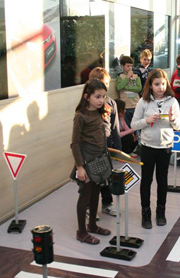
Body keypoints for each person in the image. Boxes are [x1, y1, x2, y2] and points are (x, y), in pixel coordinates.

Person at [131, 69, 180, 228]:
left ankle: (161, 212)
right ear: (150, 85)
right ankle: (145, 213)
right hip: (147, 146)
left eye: (163, 83)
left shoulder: (172, 101)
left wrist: (173, 120)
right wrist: (147, 120)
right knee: (146, 180)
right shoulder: (143, 102)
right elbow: (134, 124)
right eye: (156, 84)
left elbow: (179, 126)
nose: (160, 87)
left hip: (165, 146)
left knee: (162, 180)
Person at [70, 79, 112, 244]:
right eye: (97, 96)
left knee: (96, 193)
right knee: (85, 196)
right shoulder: (80, 116)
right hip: (87, 163)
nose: (101, 100)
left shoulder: (98, 112)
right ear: (87, 97)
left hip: (99, 161)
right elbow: (75, 143)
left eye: (103, 96)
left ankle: (92, 225)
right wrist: (80, 167)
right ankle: (81, 232)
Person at [90, 67, 122, 217]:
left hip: (107, 145)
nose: (106, 86)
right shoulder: (88, 104)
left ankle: (107, 204)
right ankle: (91, 208)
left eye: (107, 83)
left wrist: (118, 146)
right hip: (91, 149)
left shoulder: (111, 103)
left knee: (106, 177)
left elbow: (115, 126)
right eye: (102, 83)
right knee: (93, 180)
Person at [116, 56, 142, 128]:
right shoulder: (120, 76)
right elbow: (119, 87)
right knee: (128, 125)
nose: (130, 68)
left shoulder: (136, 75)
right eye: (128, 66)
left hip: (135, 104)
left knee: (136, 124)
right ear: (122, 66)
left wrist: (127, 88)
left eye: (131, 66)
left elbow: (139, 88)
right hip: (126, 105)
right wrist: (127, 77)